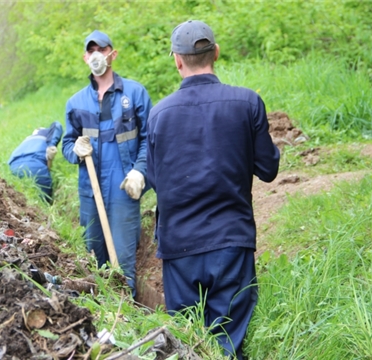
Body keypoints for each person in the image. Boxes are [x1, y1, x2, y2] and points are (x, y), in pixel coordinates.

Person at [146, 20, 280, 359]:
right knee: (228, 343)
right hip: (231, 242)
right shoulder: (247, 103)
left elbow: (154, 178)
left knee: (186, 340)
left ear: (177, 60)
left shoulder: (158, 115)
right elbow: (268, 169)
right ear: (216, 53)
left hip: (178, 246)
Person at [62, 30, 153, 296]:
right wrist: (76, 150)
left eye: (101, 50)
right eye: (91, 51)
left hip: (123, 186)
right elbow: (67, 144)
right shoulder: (75, 102)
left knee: (123, 260)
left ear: (113, 54)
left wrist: (140, 171)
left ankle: (127, 318)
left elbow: (150, 140)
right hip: (90, 189)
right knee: (93, 259)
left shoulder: (135, 94)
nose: (96, 55)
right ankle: (100, 317)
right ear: (84, 58)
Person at [8, 121, 63, 202]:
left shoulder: (27, 139)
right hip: (35, 167)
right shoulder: (47, 134)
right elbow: (57, 125)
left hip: (14, 167)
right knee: (45, 203)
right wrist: (52, 144)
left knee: (23, 202)